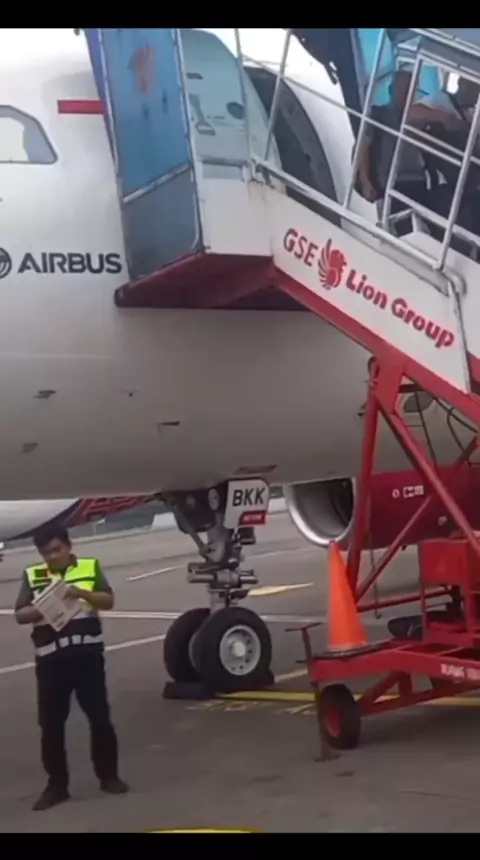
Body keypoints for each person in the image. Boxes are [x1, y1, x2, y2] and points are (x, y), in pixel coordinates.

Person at [14, 524, 129, 811]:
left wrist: (81, 594)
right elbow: (20, 613)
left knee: (100, 719)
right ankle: (57, 786)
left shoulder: (89, 567)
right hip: (51, 662)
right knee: (51, 726)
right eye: (45, 552)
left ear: (68, 546)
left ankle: (109, 776)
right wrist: (42, 608)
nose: (52, 556)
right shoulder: (33, 575)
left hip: (87, 658)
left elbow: (109, 600)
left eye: (56, 550)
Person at [356, 68, 464, 229]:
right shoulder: (378, 115)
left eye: (410, 91)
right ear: (391, 90)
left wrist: (447, 118)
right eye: (403, 90)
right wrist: (365, 181)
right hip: (393, 181)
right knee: (405, 227)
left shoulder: (415, 113)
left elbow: (450, 121)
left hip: (418, 180)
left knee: (433, 223)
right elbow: (363, 147)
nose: (406, 95)